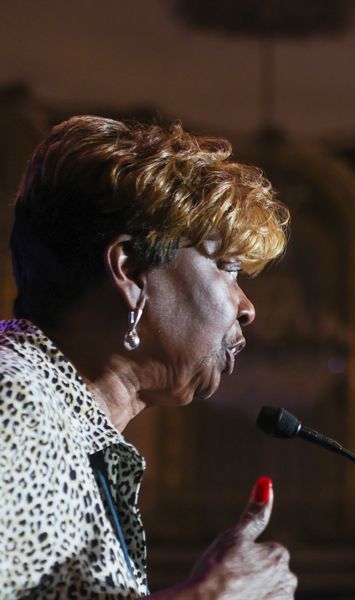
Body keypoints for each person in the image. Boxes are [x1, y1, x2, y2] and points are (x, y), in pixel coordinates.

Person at [0, 115, 298, 598]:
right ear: (132, 270)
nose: (247, 308)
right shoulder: (14, 399)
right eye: (227, 268)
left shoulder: (70, 427)